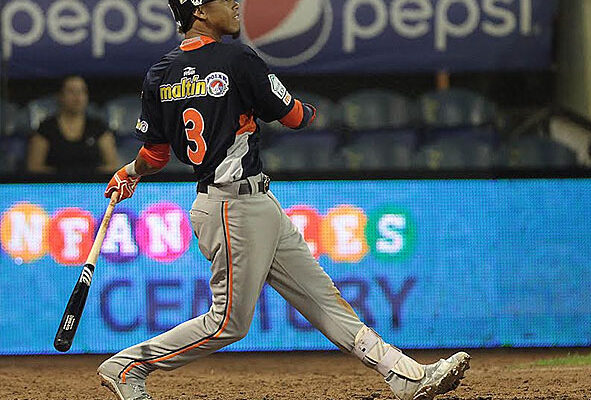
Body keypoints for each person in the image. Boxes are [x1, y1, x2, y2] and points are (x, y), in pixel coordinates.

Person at [98, 1, 470, 399]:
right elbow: (293, 116)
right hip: (232, 207)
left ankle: (405, 376)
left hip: (249, 202)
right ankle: (127, 367)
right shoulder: (236, 58)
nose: (235, 4)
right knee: (227, 323)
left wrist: (128, 172)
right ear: (200, 11)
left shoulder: (160, 72)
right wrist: (309, 111)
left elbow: (155, 156)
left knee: (323, 300)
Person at [26, 76, 120, 174]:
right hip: (56, 183)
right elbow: (34, 167)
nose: (77, 97)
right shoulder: (46, 128)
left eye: (82, 91)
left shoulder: (98, 127)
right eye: (71, 91)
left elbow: (112, 165)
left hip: (91, 183)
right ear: (60, 96)